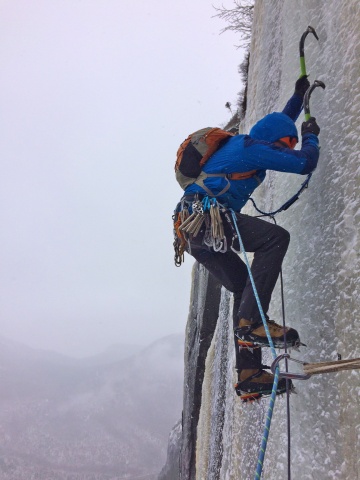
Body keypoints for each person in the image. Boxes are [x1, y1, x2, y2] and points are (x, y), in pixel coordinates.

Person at [174, 75, 320, 398]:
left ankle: (250, 373)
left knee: (244, 287)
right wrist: (310, 138)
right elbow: (305, 162)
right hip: (207, 218)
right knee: (275, 239)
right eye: (287, 144)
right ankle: (252, 325)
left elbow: (277, 127)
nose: (286, 151)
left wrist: (298, 99)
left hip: (193, 229)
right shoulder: (250, 148)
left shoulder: (249, 143)